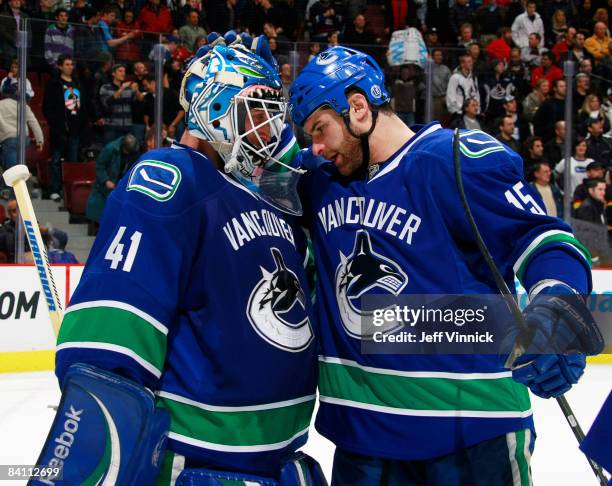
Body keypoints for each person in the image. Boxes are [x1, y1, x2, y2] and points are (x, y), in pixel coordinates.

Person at [289, 45, 602, 485]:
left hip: (470, 434)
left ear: (357, 107)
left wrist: (557, 308)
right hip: (363, 445)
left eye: (320, 129)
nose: (316, 147)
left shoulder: (453, 160)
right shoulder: (319, 182)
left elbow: (544, 240)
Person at [40, 42, 323, 485]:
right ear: (214, 107)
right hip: (204, 468)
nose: (270, 130)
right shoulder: (172, 178)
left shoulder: (268, 200)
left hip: (284, 466)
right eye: (257, 110)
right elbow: (108, 350)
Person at [43, 54, 86, 203]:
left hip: (75, 130)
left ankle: (69, 193)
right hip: (59, 130)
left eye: (71, 64)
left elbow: (82, 107)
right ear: (60, 66)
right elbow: (46, 107)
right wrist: (56, 124)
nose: (70, 67)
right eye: (67, 64)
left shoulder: (77, 84)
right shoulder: (54, 84)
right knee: (56, 160)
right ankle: (55, 189)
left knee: (72, 162)